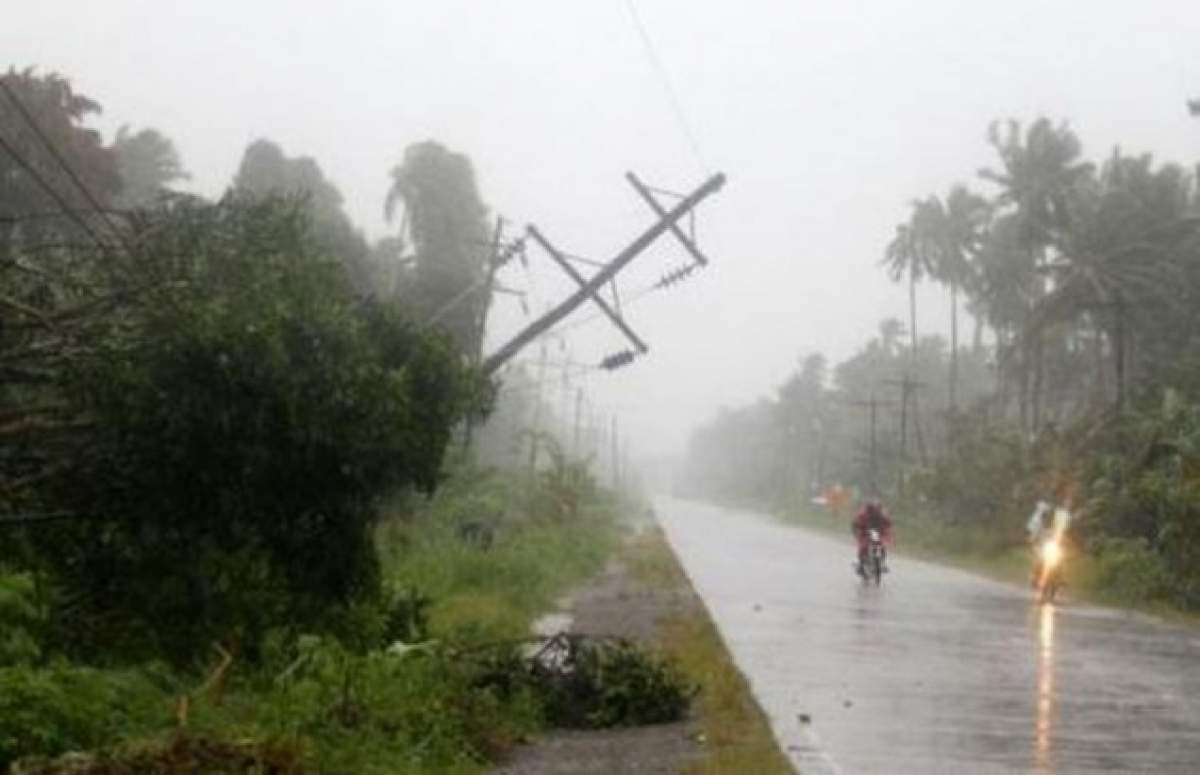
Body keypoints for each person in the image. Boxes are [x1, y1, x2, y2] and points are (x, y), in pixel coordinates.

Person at [852, 500, 894, 575]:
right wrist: (857, 531)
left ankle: (881, 562)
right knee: (863, 547)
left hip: (876, 532)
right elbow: (855, 523)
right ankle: (861, 564)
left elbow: (888, 524)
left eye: (876, 510)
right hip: (864, 531)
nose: (874, 512)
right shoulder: (863, 514)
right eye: (872, 510)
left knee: (881, 546)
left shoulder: (883, 514)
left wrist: (886, 533)